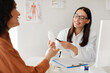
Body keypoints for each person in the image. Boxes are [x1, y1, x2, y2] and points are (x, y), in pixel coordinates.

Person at [0, 0, 59, 73]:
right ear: (4, 12)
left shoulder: (4, 38)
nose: (19, 13)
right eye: (14, 8)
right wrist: (48, 57)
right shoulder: (3, 46)